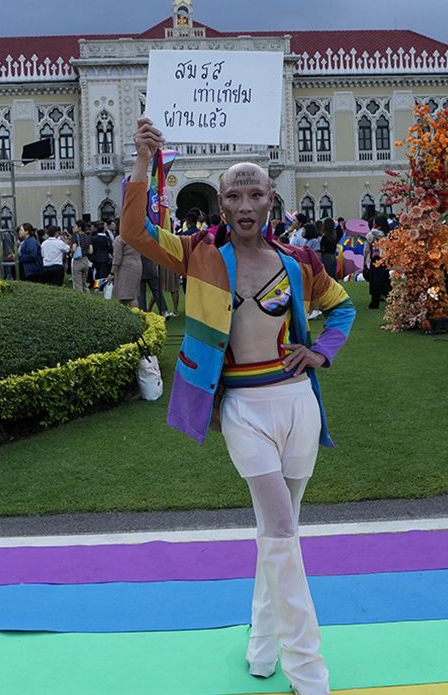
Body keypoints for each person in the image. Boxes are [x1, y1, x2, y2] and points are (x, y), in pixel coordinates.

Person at [122, 117, 355, 695]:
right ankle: (309, 670)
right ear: (220, 203)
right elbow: (136, 230)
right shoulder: (199, 255)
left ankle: (259, 645)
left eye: (255, 193)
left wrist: (320, 353)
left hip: (298, 404)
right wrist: (144, 163)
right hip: (242, 411)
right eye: (234, 195)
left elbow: (343, 308)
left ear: (271, 198)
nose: (245, 204)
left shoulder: (300, 262)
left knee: (279, 532)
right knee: (280, 527)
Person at [112, 232, 143, 307]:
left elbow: (117, 258)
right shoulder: (136, 237)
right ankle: (134, 315)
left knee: (127, 297)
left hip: (125, 268)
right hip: (137, 265)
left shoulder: (120, 239)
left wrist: (112, 273)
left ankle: (132, 316)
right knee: (132, 295)